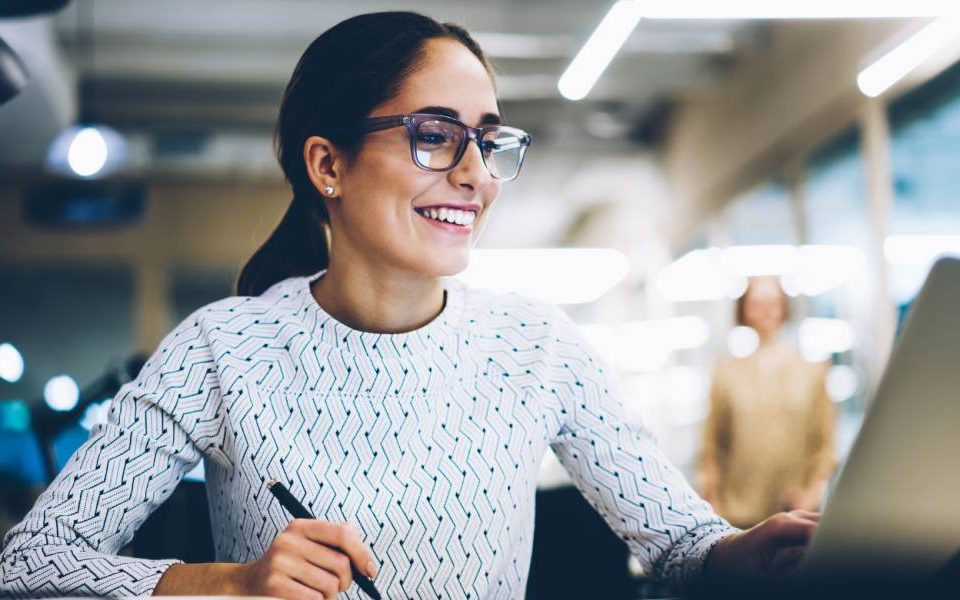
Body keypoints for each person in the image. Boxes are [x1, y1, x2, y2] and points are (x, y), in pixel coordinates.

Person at [0, 12, 818, 600]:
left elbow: (679, 544)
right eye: (435, 135)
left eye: (489, 140)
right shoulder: (223, 349)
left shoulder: (535, 347)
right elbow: (30, 565)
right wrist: (227, 586)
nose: (475, 174)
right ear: (328, 164)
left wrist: (746, 553)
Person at [699, 276, 836, 529]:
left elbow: (824, 447)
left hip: (796, 514)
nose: (766, 309)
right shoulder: (726, 374)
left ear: (784, 306)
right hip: (738, 516)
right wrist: (713, 505)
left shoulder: (812, 372)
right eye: (757, 302)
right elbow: (712, 448)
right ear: (744, 309)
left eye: (773, 301)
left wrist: (811, 495)